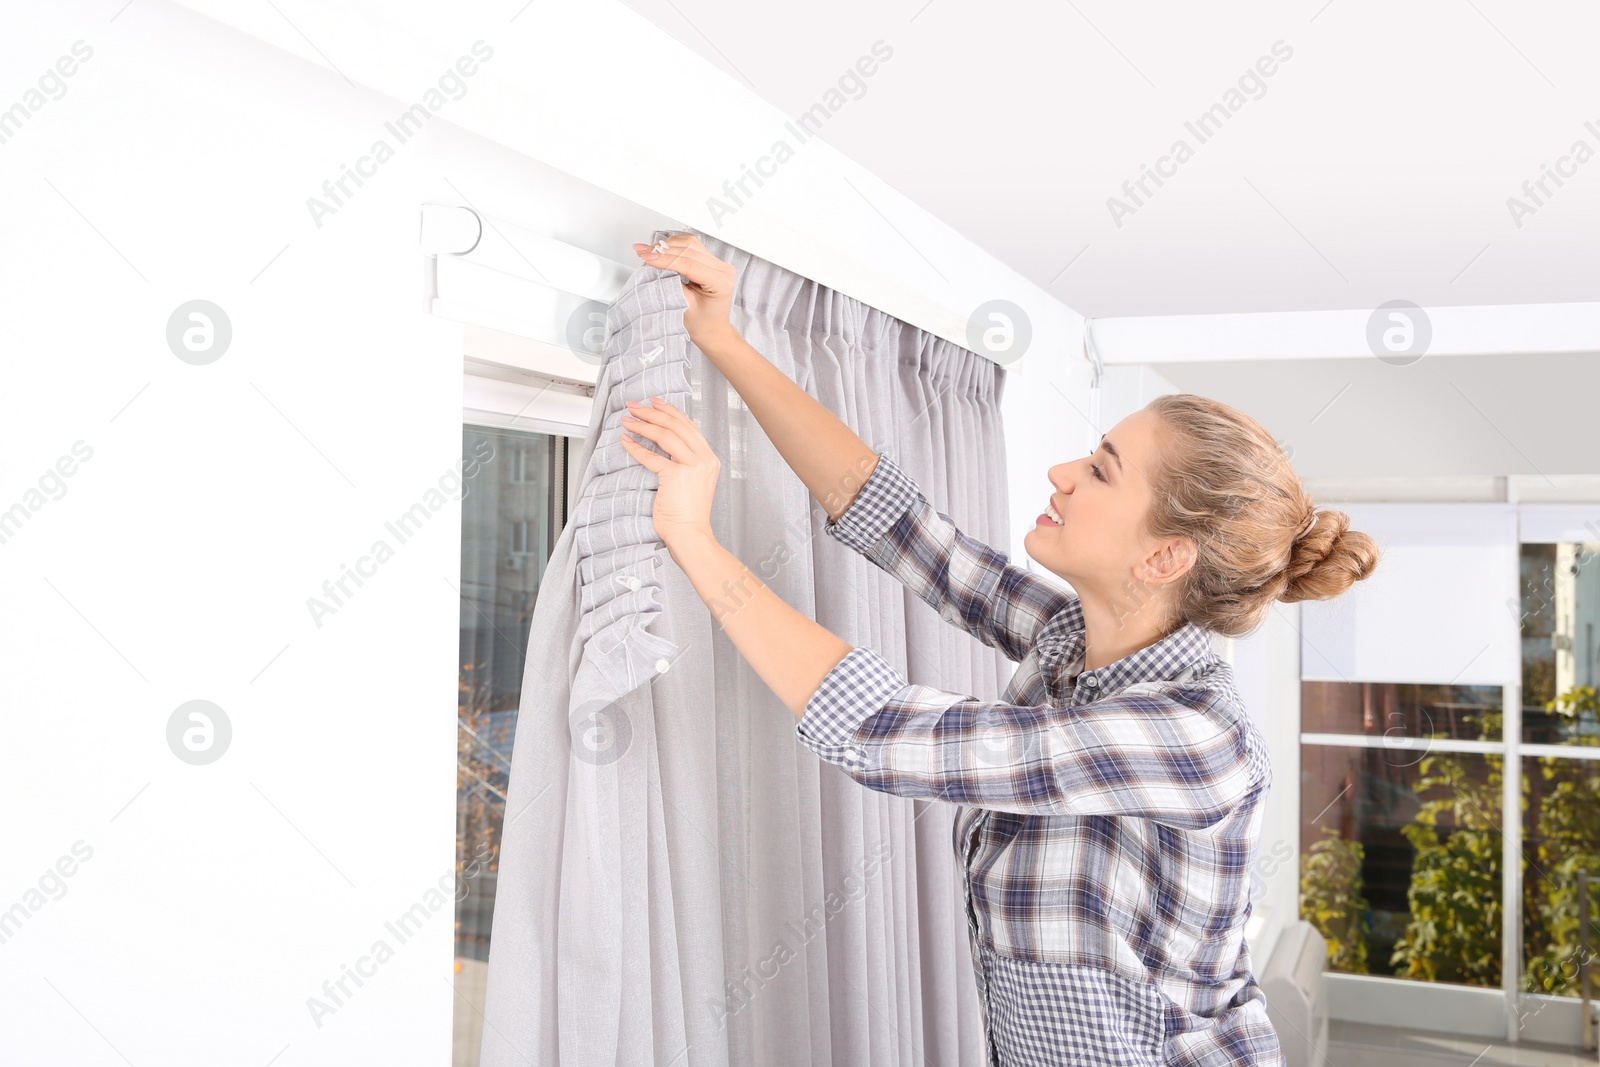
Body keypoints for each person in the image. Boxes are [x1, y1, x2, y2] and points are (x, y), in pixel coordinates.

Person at [618, 234, 1381, 1067]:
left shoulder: (1198, 739)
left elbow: (883, 729)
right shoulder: (1073, 641)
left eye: (1100, 470)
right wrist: (723, 338)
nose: (1062, 472)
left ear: (1164, 558)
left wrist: (693, 534)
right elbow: (910, 532)